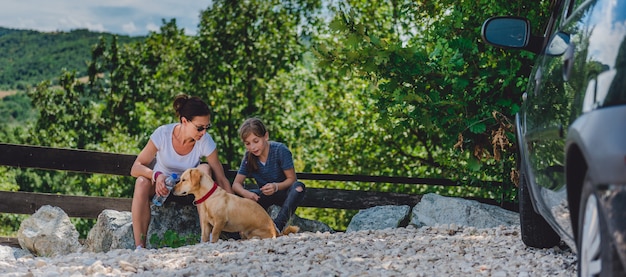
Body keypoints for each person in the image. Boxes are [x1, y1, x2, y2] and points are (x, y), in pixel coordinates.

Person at [130, 94, 233, 249]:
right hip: (162, 187)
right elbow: (135, 168)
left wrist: (234, 206)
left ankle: (207, 240)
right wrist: (156, 175)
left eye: (207, 127)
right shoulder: (163, 134)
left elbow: (222, 178)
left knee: (204, 169)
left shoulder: (204, 140)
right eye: (199, 127)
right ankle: (140, 248)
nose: (204, 132)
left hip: (190, 190)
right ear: (184, 121)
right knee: (141, 182)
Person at [231, 117, 306, 232]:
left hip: (284, 193)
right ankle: (238, 230)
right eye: (248, 144)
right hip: (265, 195)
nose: (253, 147)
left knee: (299, 187)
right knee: (241, 197)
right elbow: (236, 184)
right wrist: (246, 194)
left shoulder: (280, 150)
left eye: (256, 141)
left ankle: (277, 225)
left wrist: (276, 186)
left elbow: (292, 179)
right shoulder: (248, 157)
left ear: (265, 136)